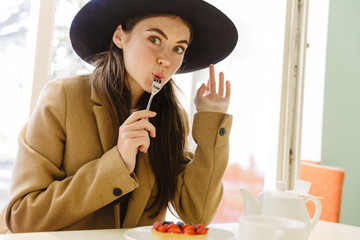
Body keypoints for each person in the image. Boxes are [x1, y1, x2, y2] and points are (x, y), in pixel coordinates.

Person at [0, 0, 237, 233]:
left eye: (178, 48)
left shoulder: (173, 118)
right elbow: (21, 217)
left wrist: (211, 122)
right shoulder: (63, 98)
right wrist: (118, 163)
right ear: (120, 36)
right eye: (155, 39)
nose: (166, 59)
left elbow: (198, 213)